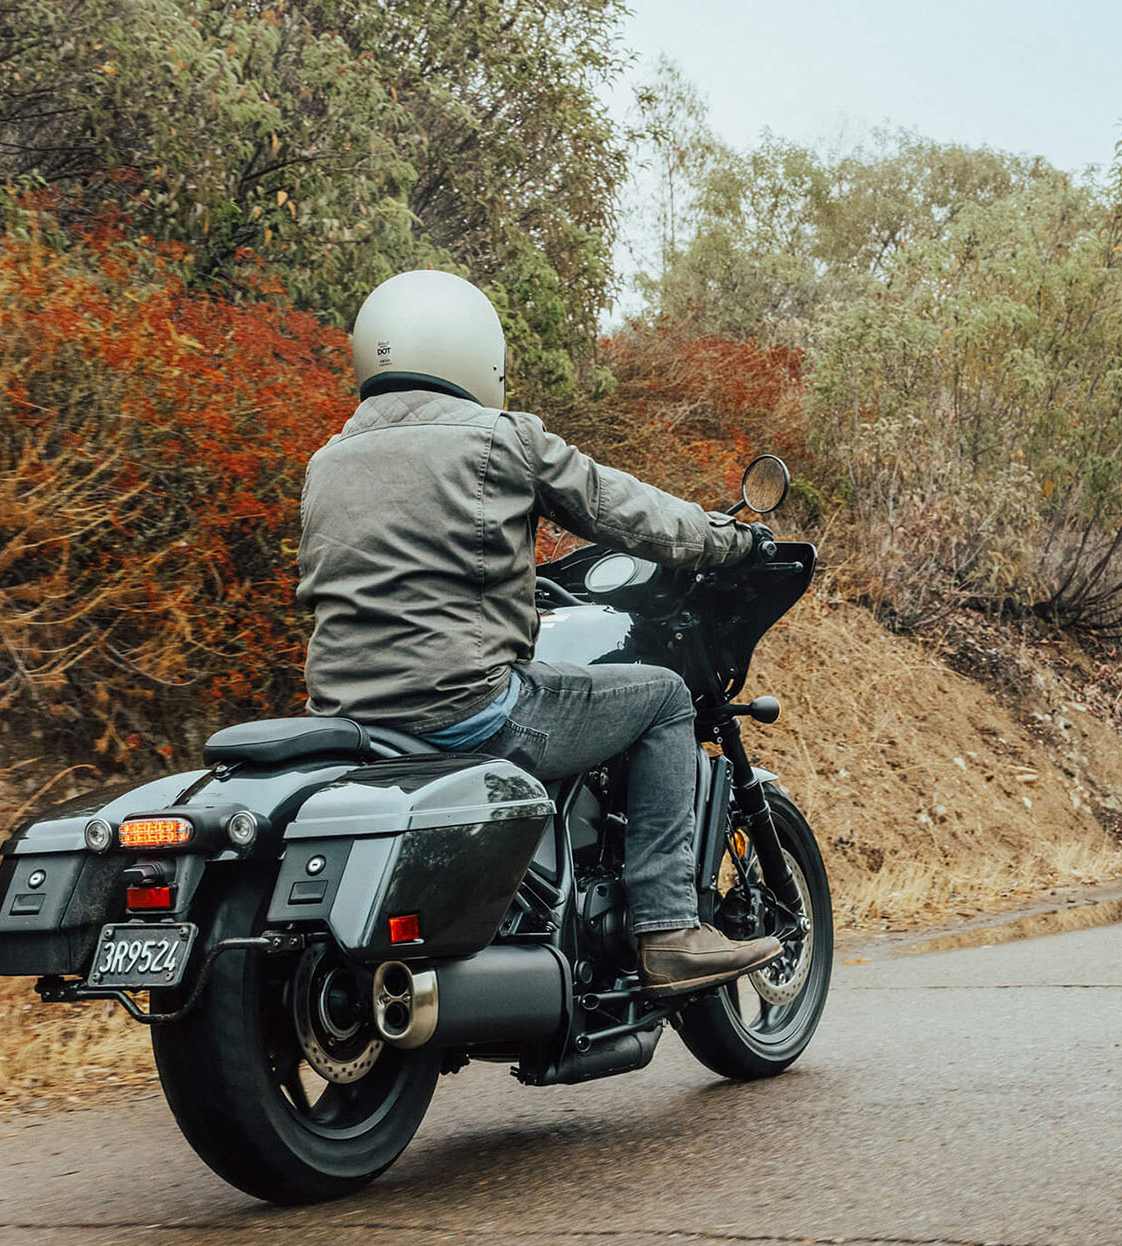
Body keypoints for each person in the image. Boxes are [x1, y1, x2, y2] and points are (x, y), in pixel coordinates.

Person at [297, 270, 782, 998]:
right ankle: (667, 928)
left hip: (346, 720)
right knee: (664, 699)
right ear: (474, 354)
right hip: (466, 711)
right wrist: (726, 539)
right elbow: (621, 509)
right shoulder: (500, 439)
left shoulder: (326, 461)